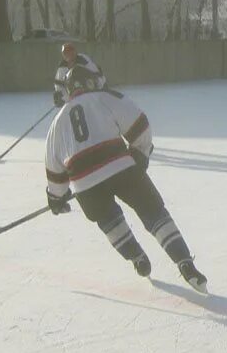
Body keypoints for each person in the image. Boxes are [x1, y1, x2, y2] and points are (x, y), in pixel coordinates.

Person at [44, 64, 208, 293]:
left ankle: (137, 257)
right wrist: (140, 153)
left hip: (85, 186)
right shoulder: (105, 97)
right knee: (153, 212)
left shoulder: (57, 123)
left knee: (110, 222)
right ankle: (185, 263)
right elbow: (139, 124)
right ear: (91, 83)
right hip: (121, 168)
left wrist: (56, 197)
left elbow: (54, 168)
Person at [53, 43, 106, 107]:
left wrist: (98, 86)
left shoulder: (84, 60)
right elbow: (59, 87)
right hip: (73, 96)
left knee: (77, 70)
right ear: (63, 55)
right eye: (66, 53)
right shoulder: (62, 68)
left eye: (71, 51)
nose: (69, 54)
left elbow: (99, 76)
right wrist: (62, 98)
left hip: (91, 92)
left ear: (75, 51)